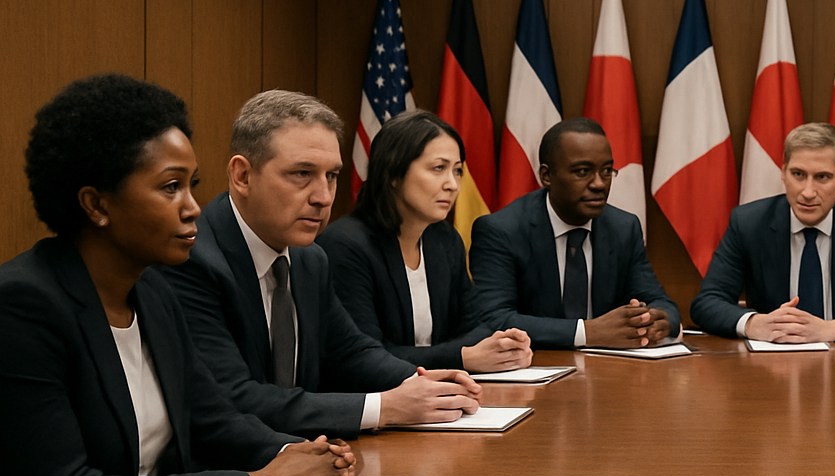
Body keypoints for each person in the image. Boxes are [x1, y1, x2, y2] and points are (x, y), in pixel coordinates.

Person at [0, 74, 357, 476]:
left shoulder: (154, 295)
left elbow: (216, 420)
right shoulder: (24, 308)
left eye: (192, 185)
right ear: (96, 204)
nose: (194, 206)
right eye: (170, 188)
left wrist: (312, 456)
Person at [162, 90, 481, 438]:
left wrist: (418, 380)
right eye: (302, 173)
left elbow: (349, 351)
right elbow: (233, 397)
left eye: (331, 176)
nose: (324, 197)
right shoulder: (192, 260)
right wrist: (385, 407)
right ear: (242, 176)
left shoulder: (309, 257)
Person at [318, 111, 532, 372]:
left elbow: (477, 326)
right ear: (394, 174)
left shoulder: (443, 239)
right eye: (438, 169)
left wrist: (502, 347)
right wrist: (461, 357)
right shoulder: (346, 245)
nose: (452, 185)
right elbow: (365, 356)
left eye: (457, 171)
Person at [693, 122, 835, 342]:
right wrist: (754, 324)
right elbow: (707, 302)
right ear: (783, 173)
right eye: (798, 175)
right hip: (772, 364)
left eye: (822, 177)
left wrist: (833, 328)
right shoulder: (749, 222)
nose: (808, 192)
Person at [471, 117, 679, 349]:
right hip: (534, 369)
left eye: (607, 171)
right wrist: (587, 332)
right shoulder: (502, 230)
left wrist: (659, 321)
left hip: (610, 371)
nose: (599, 184)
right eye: (583, 172)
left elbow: (660, 302)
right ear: (546, 176)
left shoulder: (623, 227)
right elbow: (493, 319)